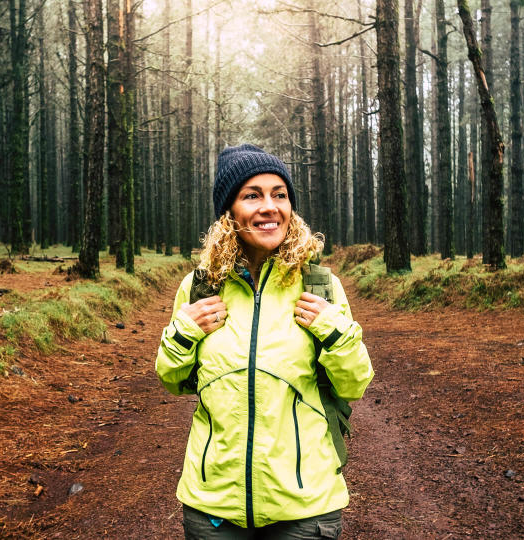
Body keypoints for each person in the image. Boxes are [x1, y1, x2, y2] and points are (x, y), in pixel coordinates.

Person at [155, 143, 375, 539]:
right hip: (214, 505)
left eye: (280, 194)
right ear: (229, 212)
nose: (269, 206)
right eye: (252, 195)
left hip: (304, 506)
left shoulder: (320, 286)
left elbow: (354, 383)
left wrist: (334, 330)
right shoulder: (200, 287)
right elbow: (172, 379)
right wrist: (184, 331)